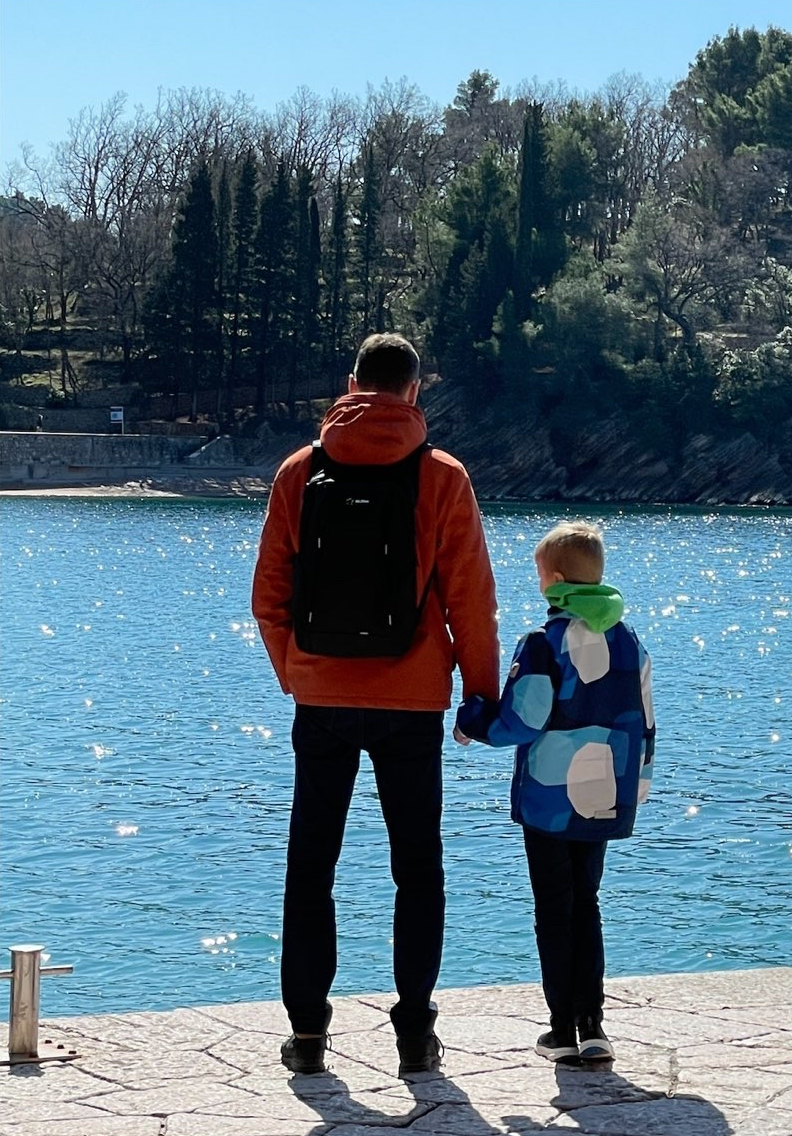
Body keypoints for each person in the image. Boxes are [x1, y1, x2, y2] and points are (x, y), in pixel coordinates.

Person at [252, 333, 500, 1077]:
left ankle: (306, 1035)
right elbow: (472, 603)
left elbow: (268, 597)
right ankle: (414, 1034)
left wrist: (299, 674)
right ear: (416, 392)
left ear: (352, 383)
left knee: (311, 866)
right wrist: (479, 696)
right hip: (412, 697)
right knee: (417, 866)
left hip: (321, 695)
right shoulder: (443, 476)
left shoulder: (300, 470)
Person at [454, 521, 655, 1063]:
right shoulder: (629, 640)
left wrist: (474, 719)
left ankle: (562, 1029)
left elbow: (524, 717)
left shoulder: (543, 642)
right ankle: (594, 1025)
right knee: (587, 903)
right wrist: (636, 786)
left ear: (556, 580)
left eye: (540, 573)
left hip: (550, 798)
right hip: (607, 791)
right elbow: (646, 722)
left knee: (554, 907)